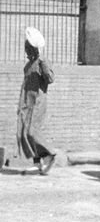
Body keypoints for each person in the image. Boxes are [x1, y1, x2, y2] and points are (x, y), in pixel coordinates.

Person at [16, 27, 56, 175]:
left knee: (32, 132)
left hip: (38, 103)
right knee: (22, 133)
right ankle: (36, 162)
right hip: (26, 103)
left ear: (34, 48)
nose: (26, 50)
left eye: (28, 47)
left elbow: (51, 79)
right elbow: (25, 87)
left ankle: (49, 154)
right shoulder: (27, 66)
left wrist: (44, 65)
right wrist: (20, 105)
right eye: (25, 47)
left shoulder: (42, 62)